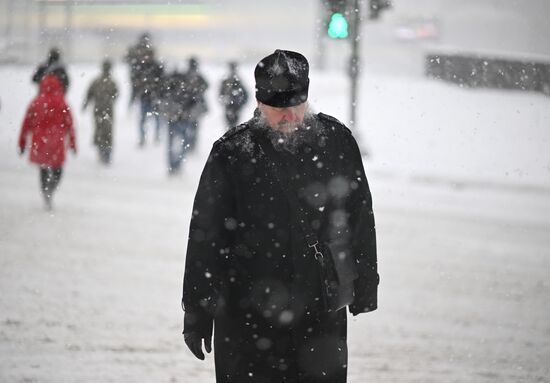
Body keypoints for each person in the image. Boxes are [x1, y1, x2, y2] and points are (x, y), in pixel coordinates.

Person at [181, 49, 378, 383]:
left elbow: (358, 215)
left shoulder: (337, 141)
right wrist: (197, 309)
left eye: (296, 106)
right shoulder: (232, 151)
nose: (289, 116)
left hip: (319, 311)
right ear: (259, 103)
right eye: (278, 108)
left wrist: (365, 282)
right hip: (246, 313)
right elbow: (207, 235)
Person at [19, 74, 77, 211]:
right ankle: (51, 189)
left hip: (40, 142)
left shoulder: (36, 101)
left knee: (43, 170)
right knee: (58, 171)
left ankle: (46, 192)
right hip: (56, 142)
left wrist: (21, 143)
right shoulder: (62, 102)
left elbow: (26, 124)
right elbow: (70, 124)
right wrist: (73, 143)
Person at [83, 59, 119, 165]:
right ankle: (106, 154)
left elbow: (89, 94)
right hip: (107, 109)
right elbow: (116, 94)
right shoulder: (111, 82)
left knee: (100, 130)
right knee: (107, 131)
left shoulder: (97, 81)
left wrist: (86, 104)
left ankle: (102, 153)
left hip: (99, 109)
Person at [160, 68, 195, 175]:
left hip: (174, 120)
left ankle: (172, 165)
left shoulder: (170, 89)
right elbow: (193, 102)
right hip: (182, 119)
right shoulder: (186, 90)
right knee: (183, 143)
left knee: (172, 143)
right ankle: (177, 165)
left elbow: (165, 103)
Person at [182, 57, 208, 152]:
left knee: (187, 127)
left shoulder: (186, 75)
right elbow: (206, 86)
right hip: (194, 106)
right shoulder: (198, 76)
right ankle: (191, 144)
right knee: (193, 127)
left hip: (188, 106)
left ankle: (188, 144)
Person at [218, 61, 248, 130]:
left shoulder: (238, 81)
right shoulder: (226, 82)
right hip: (229, 107)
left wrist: (240, 104)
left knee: (233, 128)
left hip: (235, 107)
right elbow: (220, 96)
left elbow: (246, 96)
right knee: (230, 128)